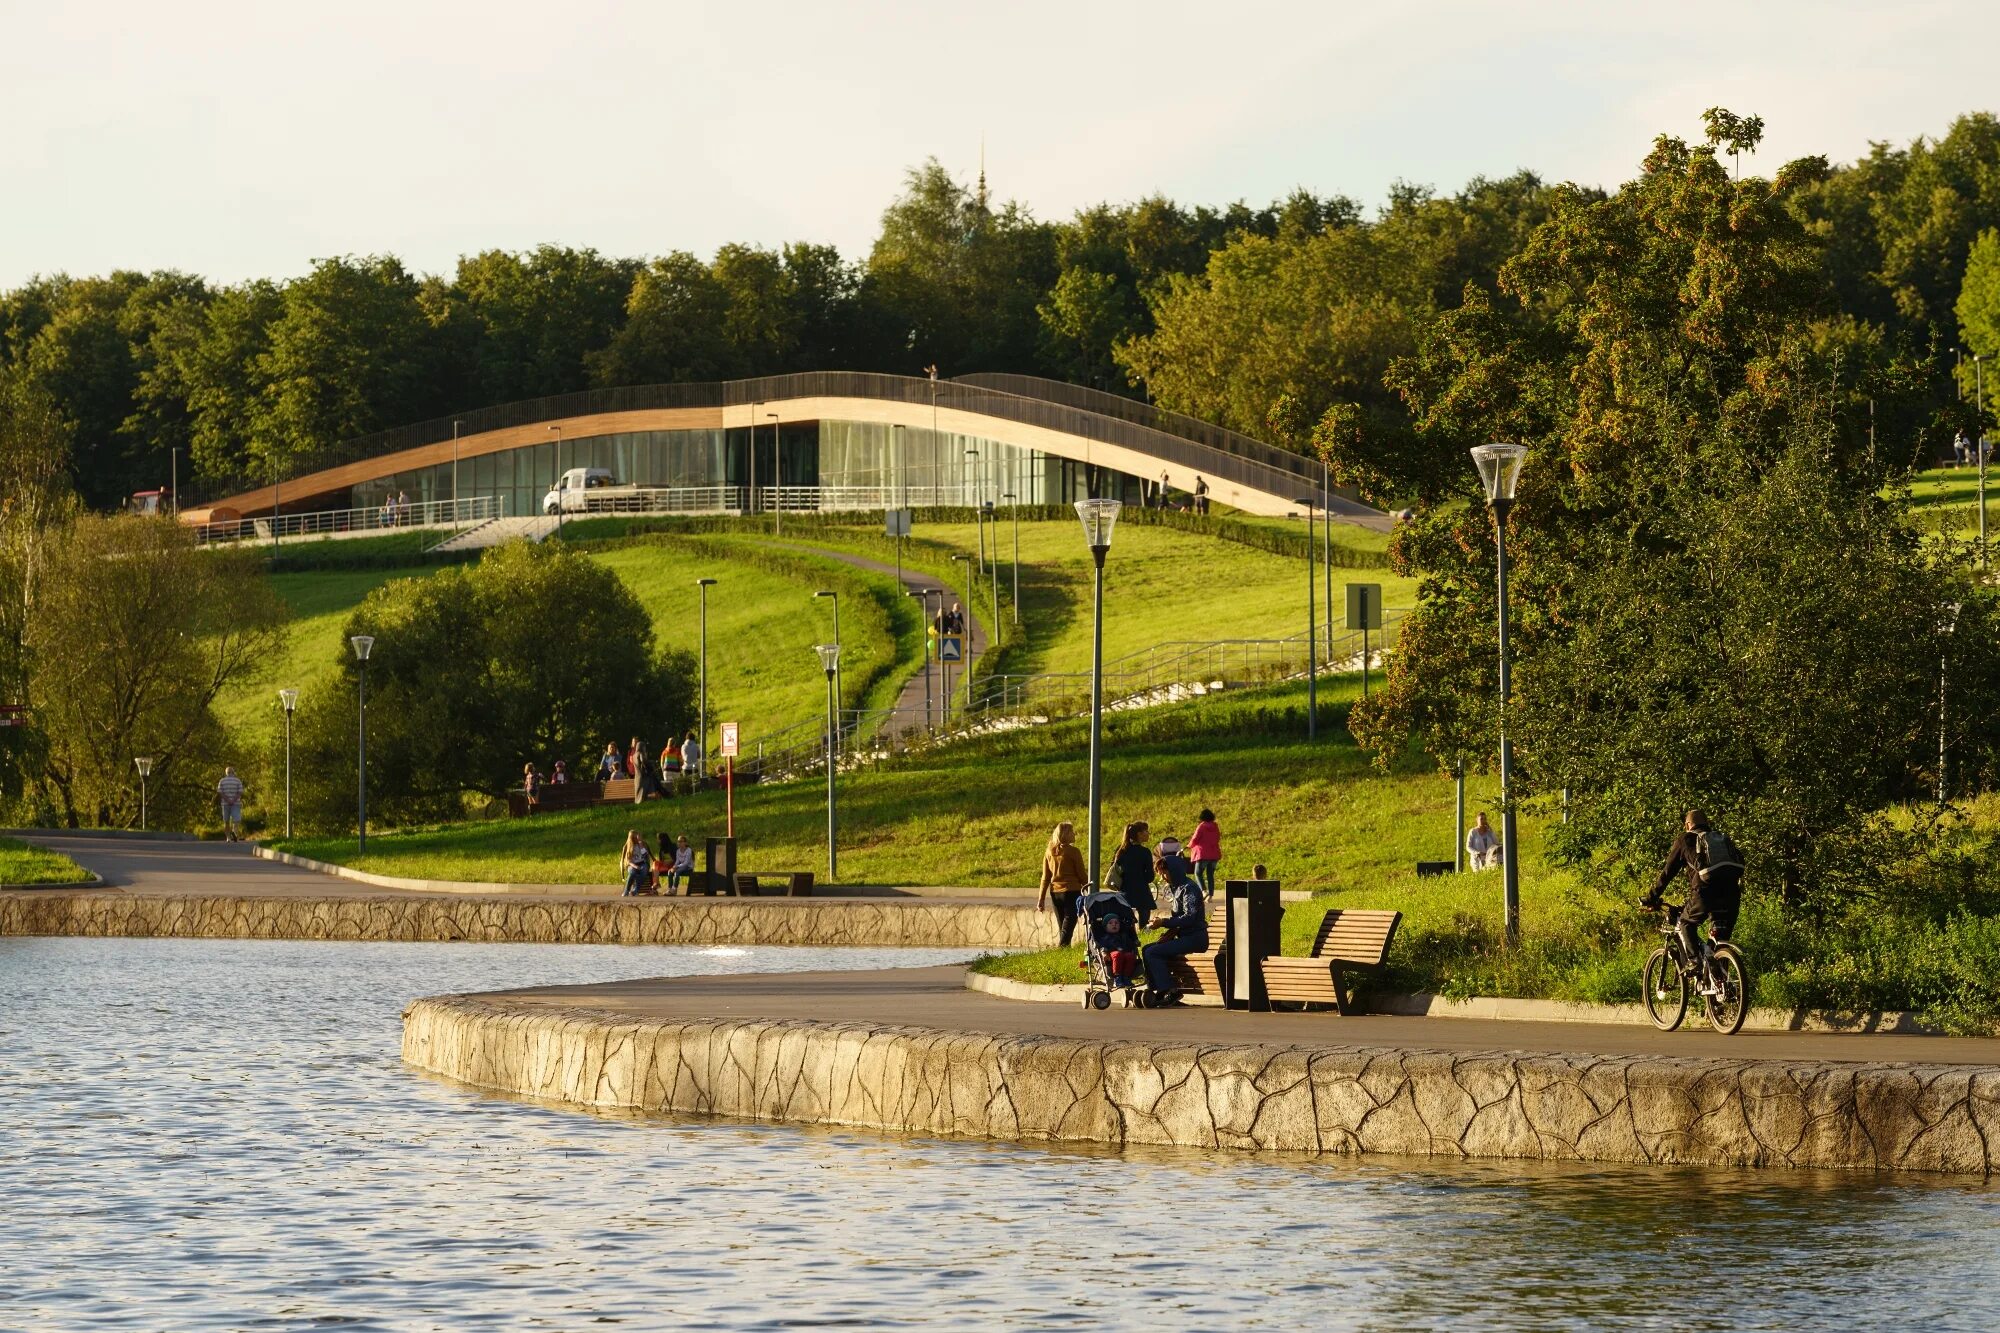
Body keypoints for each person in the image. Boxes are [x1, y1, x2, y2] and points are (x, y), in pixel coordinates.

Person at [1641, 809, 1746, 996]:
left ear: (1687, 825)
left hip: (1705, 894)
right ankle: (1720, 995)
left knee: (1685, 923)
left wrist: (1651, 898)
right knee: (1718, 943)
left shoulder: (1685, 840)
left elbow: (1667, 874)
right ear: (1706, 823)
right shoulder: (1719, 839)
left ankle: (1694, 961)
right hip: (1731, 896)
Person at [1144, 862, 1208, 1004]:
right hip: (1184, 936)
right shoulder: (1177, 888)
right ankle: (1159, 991)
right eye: (1160, 873)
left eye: (1164, 872)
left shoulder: (1189, 889)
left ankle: (1170, 991)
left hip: (1195, 938)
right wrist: (1169, 934)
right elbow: (1178, 919)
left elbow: (1189, 918)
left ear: (1174, 870)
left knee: (1153, 952)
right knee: (1146, 949)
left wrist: (1163, 922)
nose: (1163, 877)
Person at [1038, 821, 1088, 948]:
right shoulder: (1074, 852)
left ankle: (1065, 949)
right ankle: (1062, 947)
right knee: (1070, 921)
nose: (1074, 834)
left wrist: (1041, 899)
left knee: (1062, 924)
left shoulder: (1049, 852)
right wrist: (1087, 887)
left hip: (1055, 892)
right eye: (1072, 832)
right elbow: (1081, 873)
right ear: (1066, 834)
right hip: (1072, 891)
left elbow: (1045, 878)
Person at [1113, 822, 1158, 927]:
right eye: (1146, 831)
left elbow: (1115, 868)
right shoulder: (1144, 852)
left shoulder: (1120, 850)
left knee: (1126, 921)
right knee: (1144, 917)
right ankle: (1143, 934)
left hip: (1124, 890)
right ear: (1139, 834)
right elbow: (1150, 877)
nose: (1148, 833)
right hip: (1141, 890)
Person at [1186, 808, 1221, 897]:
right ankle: (1211, 895)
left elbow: (1195, 838)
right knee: (1210, 875)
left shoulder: (1201, 826)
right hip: (1214, 854)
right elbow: (1217, 838)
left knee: (1198, 873)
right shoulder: (1215, 826)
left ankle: (1203, 891)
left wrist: (1188, 846)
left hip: (1203, 854)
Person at [619, 830, 653, 897]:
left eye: (637, 837)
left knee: (643, 872)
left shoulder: (642, 844)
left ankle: (635, 890)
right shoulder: (627, 846)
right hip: (632, 864)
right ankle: (627, 890)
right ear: (631, 838)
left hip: (643, 863)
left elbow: (646, 855)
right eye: (635, 838)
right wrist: (622, 874)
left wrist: (641, 845)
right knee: (632, 873)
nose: (637, 839)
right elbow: (626, 860)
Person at [215, 767, 245, 841]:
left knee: (226, 821)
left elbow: (220, 792)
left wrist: (228, 800)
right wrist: (233, 800)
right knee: (236, 820)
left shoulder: (222, 781)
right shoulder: (238, 781)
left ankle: (228, 837)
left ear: (226, 773)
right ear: (233, 772)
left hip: (225, 803)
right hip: (236, 803)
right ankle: (234, 832)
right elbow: (240, 792)